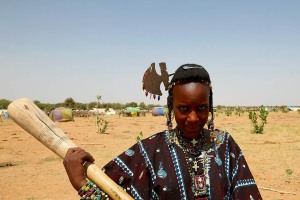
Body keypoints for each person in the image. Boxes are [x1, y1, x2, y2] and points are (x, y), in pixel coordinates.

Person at [63, 63, 262, 199]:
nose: (193, 118)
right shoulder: (149, 151)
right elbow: (112, 194)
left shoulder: (225, 145)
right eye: (183, 109)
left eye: (201, 108)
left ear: (209, 107)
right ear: (171, 107)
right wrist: (81, 182)